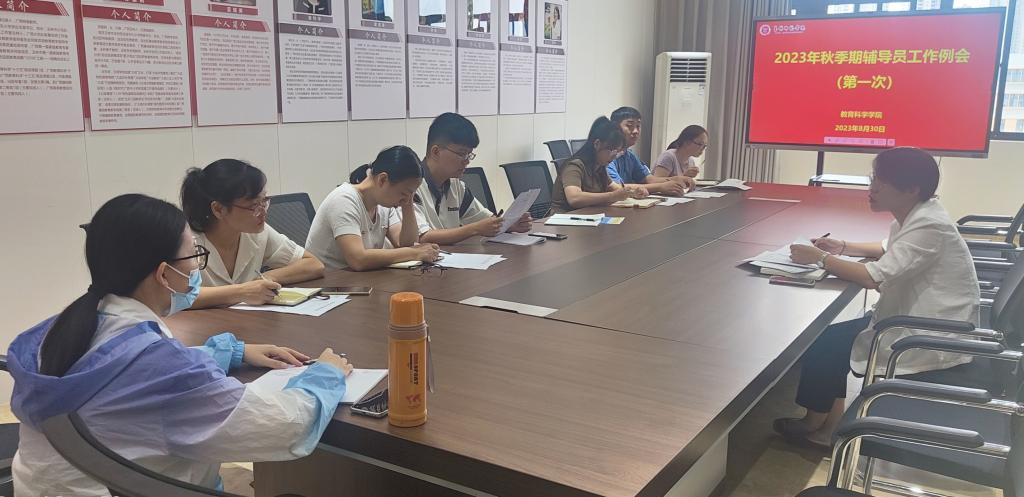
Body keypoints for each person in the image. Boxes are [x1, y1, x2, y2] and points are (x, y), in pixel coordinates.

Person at [8, 194, 353, 496]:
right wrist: (325, 375)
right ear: (164, 274)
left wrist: (229, 352)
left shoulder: (65, 328)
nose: (197, 267)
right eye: (194, 256)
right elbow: (282, 427)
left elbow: (122, 369)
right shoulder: (161, 368)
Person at [773, 147, 980, 448]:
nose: (872, 188)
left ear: (911, 189)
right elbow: (887, 248)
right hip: (913, 318)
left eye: (880, 182)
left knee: (828, 343)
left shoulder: (929, 225)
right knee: (829, 340)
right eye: (873, 179)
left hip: (927, 334)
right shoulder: (917, 214)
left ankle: (819, 423)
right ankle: (824, 421)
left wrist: (820, 258)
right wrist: (842, 247)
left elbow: (873, 277)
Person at [180, 159, 325, 309]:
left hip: (246, 320)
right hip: (198, 322)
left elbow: (313, 265)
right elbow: (177, 296)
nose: (263, 212)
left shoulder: (256, 232)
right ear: (219, 209)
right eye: (254, 205)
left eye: (264, 201)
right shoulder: (185, 240)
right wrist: (242, 291)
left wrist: (266, 278)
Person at [306, 146, 440, 271]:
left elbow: (405, 244)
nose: (405, 200)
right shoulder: (343, 200)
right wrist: (414, 253)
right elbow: (358, 259)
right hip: (330, 282)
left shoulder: (383, 204)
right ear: (382, 180)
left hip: (358, 280)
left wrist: (408, 201)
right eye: (403, 193)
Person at [415, 113, 532, 245]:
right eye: (461, 154)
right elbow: (421, 237)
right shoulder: (411, 187)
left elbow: (485, 220)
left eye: (469, 154)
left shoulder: (456, 186)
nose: (467, 161)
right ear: (436, 152)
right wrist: (475, 229)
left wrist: (509, 224)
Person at [550, 116, 649, 214]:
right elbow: (574, 198)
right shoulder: (574, 166)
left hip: (589, 216)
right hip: (565, 219)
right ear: (597, 144)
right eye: (611, 150)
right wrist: (613, 196)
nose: (614, 156)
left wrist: (633, 192)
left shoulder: (599, 166)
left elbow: (614, 187)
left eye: (617, 151)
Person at [605, 107, 695, 196]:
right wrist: (660, 187)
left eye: (638, 126)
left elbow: (648, 179)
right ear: (615, 128)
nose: (636, 131)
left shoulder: (629, 155)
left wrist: (676, 179)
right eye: (629, 126)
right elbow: (617, 186)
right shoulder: (607, 155)